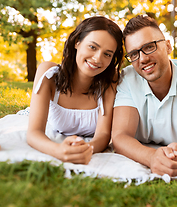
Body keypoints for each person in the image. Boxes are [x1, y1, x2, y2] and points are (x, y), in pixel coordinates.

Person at [112, 15, 177, 177]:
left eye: (149, 47)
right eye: (134, 54)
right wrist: (152, 157)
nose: (143, 59)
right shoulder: (127, 78)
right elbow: (120, 137)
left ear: (168, 46)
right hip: (146, 152)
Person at [27, 16, 124, 164]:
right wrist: (58, 151)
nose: (98, 58)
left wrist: (85, 149)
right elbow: (34, 133)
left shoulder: (110, 80)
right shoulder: (48, 74)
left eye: (107, 54)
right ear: (77, 42)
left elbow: (103, 134)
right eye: (93, 47)